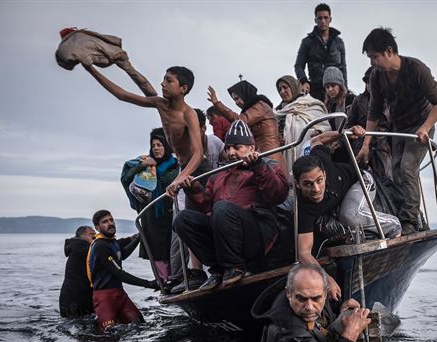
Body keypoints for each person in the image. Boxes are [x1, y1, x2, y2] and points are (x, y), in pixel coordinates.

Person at [172, 121, 289, 290]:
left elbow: (278, 194)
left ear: (251, 147)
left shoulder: (268, 165)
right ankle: (218, 270)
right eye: (228, 148)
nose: (231, 152)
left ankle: (234, 267)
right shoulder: (220, 173)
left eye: (237, 147)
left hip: (256, 233)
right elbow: (206, 205)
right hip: (223, 232)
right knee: (182, 219)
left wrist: (258, 166)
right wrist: (193, 188)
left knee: (222, 208)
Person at [293, 127, 401, 300]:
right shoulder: (304, 207)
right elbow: (304, 253)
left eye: (319, 180)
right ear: (298, 185)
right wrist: (326, 280)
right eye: (308, 184)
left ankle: (393, 224)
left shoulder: (321, 160)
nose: (316, 189)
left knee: (349, 216)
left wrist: (346, 131)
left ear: (324, 174)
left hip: (360, 181)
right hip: (339, 202)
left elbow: (316, 141)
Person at [356, 27, 437, 235]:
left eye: (374, 57)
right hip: (399, 127)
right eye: (370, 58)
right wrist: (366, 145)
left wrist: (426, 127)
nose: (372, 63)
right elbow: (374, 112)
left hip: (421, 126)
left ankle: (410, 221)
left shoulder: (416, 69)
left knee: (407, 167)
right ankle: (402, 215)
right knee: (395, 172)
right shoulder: (377, 77)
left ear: (389, 51)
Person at [82, 64, 205, 198]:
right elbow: (122, 95)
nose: (162, 83)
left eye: (169, 81)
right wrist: (90, 69)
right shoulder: (160, 104)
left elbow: (198, 154)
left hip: (196, 169)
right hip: (182, 168)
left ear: (183, 88)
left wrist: (179, 178)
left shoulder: (188, 114)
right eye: (163, 79)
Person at [120, 128, 179, 282]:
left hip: (169, 213)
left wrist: (155, 172)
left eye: (159, 144)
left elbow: (169, 181)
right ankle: (164, 281)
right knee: (156, 250)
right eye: (153, 145)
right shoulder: (144, 163)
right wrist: (143, 165)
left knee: (172, 247)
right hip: (151, 215)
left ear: (166, 146)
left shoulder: (175, 165)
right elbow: (126, 178)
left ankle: (177, 277)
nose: (156, 148)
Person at [87, 210, 156, 331]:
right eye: (105, 222)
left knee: (140, 325)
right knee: (110, 335)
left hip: (120, 294)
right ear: (97, 228)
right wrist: (149, 284)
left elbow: (122, 255)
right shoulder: (100, 246)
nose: (110, 223)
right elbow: (118, 273)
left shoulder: (111, 242)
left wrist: (138, 238)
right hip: (104, 298)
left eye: (111, 220)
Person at [207, 80, 285, 170]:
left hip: (269, 156)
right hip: (260, 155)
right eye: (234, 100)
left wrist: (217, 104)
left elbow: (240, 120)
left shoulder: (260, 106)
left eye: (237, 98)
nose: (236, 103)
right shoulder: (253, 108)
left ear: (245, 94)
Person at [274, 75, 330, 176]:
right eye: (279, 89)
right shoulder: (279, 112)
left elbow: (325, 126)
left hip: (310, 155)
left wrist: (319, 131)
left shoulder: (311, 104)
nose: (282, 91)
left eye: (285, 87)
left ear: (293, 86)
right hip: (286, 157)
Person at [295, 3, 347, 102]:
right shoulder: (307, 41)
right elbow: (298, 66)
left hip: (335, 90)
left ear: (330, 19)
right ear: (316, 20)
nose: (323, 21)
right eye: (320, 18)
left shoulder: (339, 42)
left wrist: (345, 88)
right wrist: (304, 81)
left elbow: (343, 67)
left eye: (325, 18)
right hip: (315, 90)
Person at [59, 225, 96, 318]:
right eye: (91, 235)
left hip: (74, 298)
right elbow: (105, 249)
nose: (95, 237)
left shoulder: (79, 247)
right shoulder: (83, 248)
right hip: (74, 300)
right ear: (81, 236)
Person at [322, 66, 356, 163]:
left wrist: (339, 141)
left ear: (340, 85)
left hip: (351, 146)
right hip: (336, 149)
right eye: (327, 87)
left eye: (333, 85)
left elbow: (353, 122)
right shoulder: (329, 106)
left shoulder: (351, 100)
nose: (330, 89)